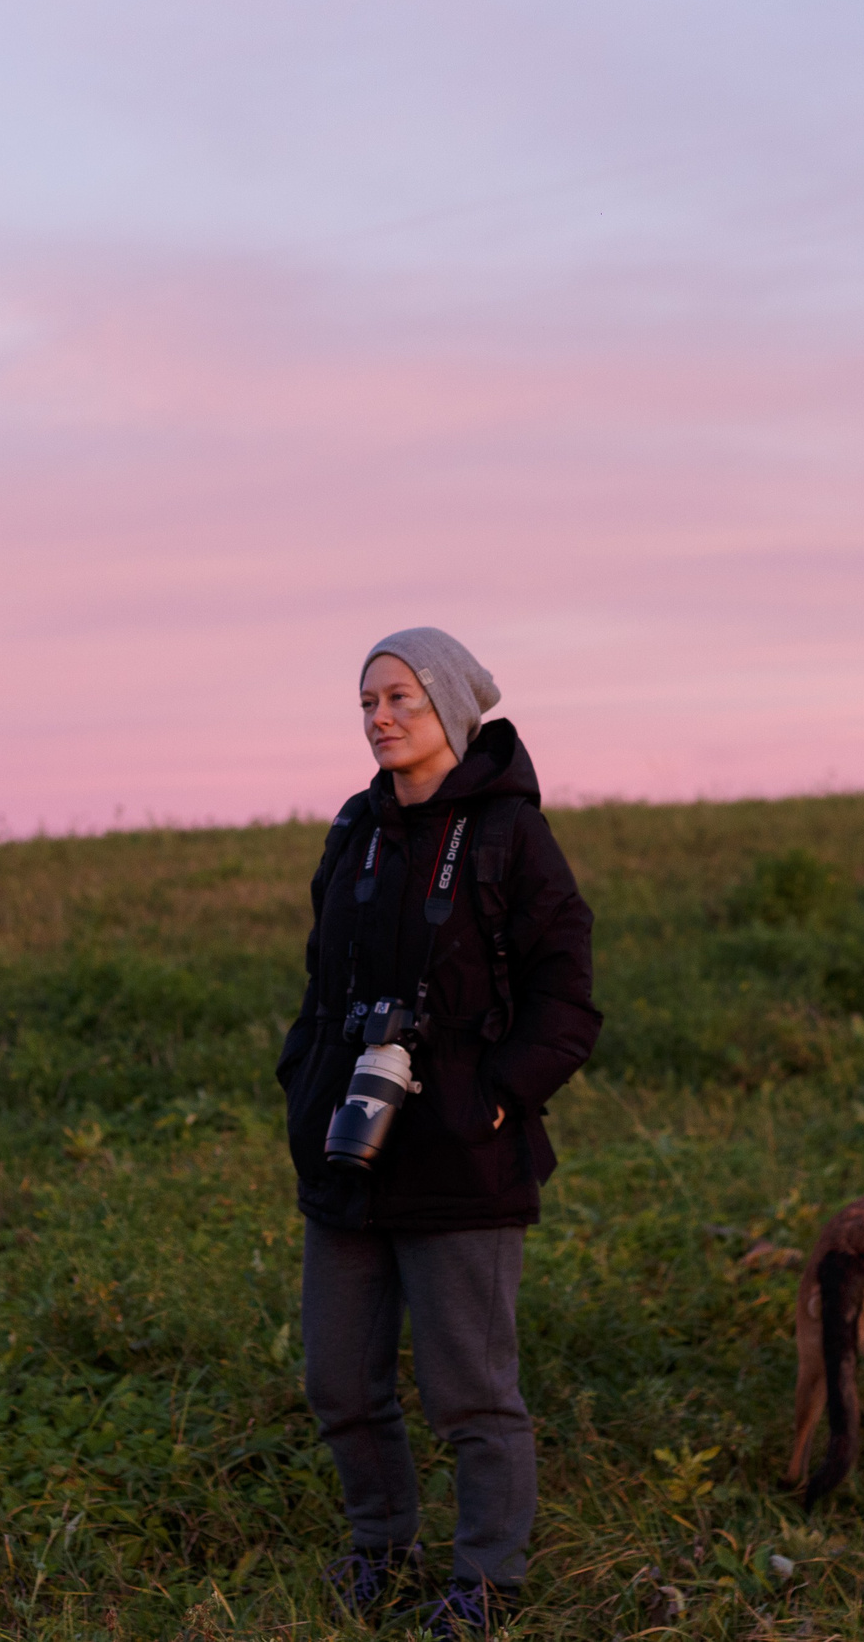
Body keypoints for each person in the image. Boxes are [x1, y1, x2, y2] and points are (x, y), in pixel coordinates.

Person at [275, 627, 601, 1637]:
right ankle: (379, 1548)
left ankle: (487, 1577)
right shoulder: (353, 833)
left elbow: (567, 997)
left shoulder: (510, 837)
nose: (379, 719)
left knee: (469, 1393)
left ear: (449, 708)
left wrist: (496, 1097)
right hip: (352, 1148)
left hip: (461, 1153)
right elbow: (319, 984)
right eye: (367, 702)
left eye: (399, 700)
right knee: (338, 1378)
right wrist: (307, 1083)